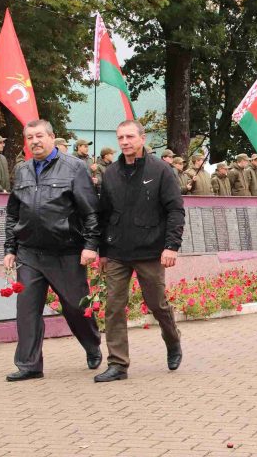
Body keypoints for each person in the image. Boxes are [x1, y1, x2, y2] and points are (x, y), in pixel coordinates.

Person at [3, 119, 102, 381]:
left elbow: (90, 211)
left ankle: (92, 344)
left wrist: (90, 245)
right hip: (30, 252)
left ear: (51, 137)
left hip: (66, 251)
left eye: (39, 136)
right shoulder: (22, 170)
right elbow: (13, 213)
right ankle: (29, 365)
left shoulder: (74, 168)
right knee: (27, 309)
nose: (34, 141)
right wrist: (10, 248)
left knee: (75, 307)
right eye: (30, 137)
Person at [95, 120, 185, 382]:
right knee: (113, 306)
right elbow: (103, 214)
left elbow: (175, 211)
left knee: (156, 304)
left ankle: (173, 340)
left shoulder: (161, 170)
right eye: (120, 137)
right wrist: (102, 250)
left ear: (142, 139)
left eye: (130, 137)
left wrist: (171, 246)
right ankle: (118, 364)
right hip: (117, 252)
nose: (125, 142)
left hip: (150, 250)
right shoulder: (110, 173)